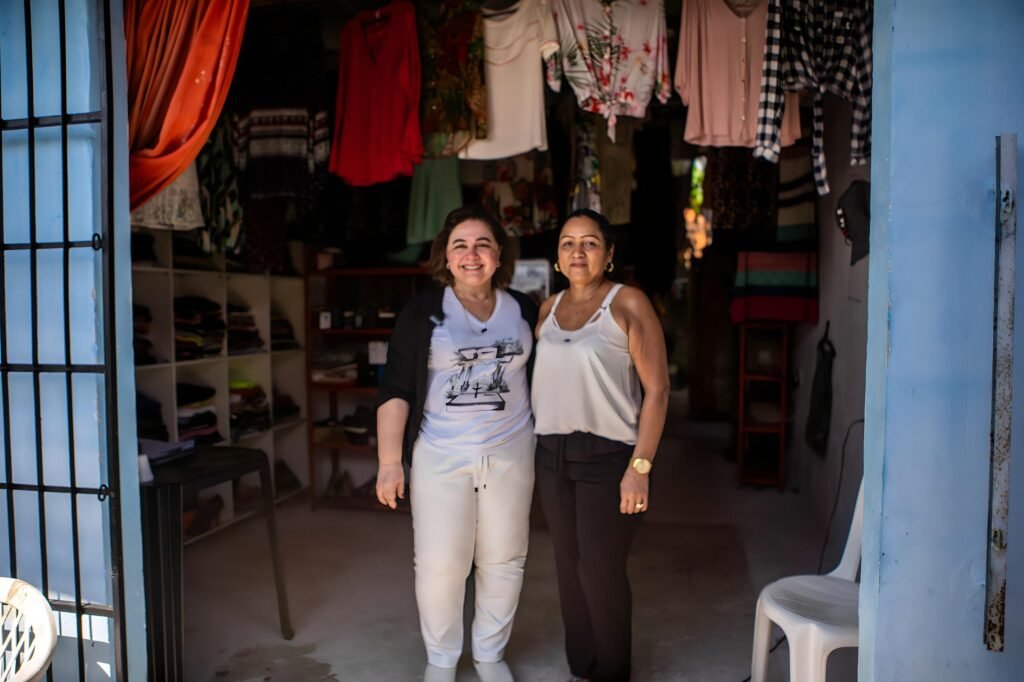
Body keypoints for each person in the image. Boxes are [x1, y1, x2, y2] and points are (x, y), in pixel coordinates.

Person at [376, 206, 539, 682]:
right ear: (445, 258)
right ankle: (442, 660)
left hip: (511, 452)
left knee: (504, 558)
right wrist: (390, 462)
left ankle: (491, 655)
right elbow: (396, 391)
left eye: (483, 244)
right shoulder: (421, 312)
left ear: (499, 255)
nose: (472, 254)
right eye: (460, 245)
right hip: (441, 455)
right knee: (440, 564)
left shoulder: (524, 308)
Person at [532, 208, 670, 682]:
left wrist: (640, 467)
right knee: (568, 568)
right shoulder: (546, 311)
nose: (577, 252)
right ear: (556, 256)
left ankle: (612, 672)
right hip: (551, 454)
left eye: (590, 243)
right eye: (568, 243)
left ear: (609, 255)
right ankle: (582, 667)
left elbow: (659, 389)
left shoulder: (627, 302)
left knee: (600, 569)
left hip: (609, 457)